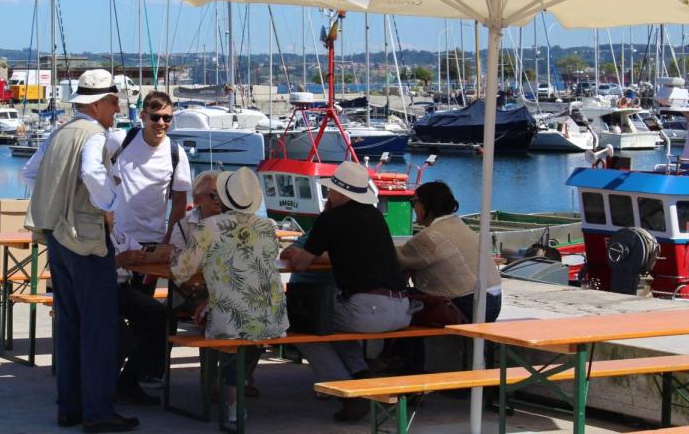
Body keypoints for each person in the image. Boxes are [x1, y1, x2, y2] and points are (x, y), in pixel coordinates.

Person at [23, 69, 138, 433]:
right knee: (99, 326)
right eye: (114, 101)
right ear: (99, 104)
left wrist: (61, 197)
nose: (118, 107)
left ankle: (69, 407)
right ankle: (98, 412)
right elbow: (92, 172)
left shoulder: (60, 133)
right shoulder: (94, 135)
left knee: (70, 324)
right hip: (86, 239)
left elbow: (30, 173)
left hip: (57, 235)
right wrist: (109, 204)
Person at [280, 160, 411, 422]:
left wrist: (298, 253)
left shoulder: (331, 219)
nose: (329, 194)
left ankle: (346, 392)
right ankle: (360, 374)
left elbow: (301, 262)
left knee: (302, 324)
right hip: (402, 309)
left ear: (341, 193)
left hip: (369, 310)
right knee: (333, 320)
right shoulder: (375, 216)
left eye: (331, 190)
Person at [171, 167, 288, 423]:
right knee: (237, 322)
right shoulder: (268, 226)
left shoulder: (210, 227)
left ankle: (232, 403)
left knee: (227, 323)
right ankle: (237, 392)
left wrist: (172, 257)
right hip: (272, 316)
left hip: (230, 317)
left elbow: (181, 272)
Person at [108, 90, 191, 404]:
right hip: (117, 242)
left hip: (152, 245)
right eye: (155, 117)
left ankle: (142, 376)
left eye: (167, 118)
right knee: (126, 310)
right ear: (142, 116)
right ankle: (123, 377)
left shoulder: (175, 153)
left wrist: (171, 237)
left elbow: (180, 198)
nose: (161, 123)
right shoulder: (121, 141)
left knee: (144, 312)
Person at [397, 180, 502, 324]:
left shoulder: (431, 235)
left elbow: (398, 260)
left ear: (425, 205)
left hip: (469, 304)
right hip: (493, 302)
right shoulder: (459, 225)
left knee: (394, 302)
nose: (413, 207)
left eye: (414, 202)